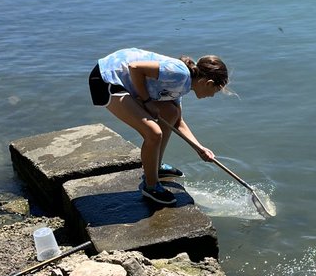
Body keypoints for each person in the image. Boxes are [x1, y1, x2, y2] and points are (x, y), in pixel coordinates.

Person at [89, 48, 229, 206]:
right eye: (215, 91)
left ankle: (155, 167)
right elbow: (135, 68)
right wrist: (147, 101)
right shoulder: (180, 74)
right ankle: (151, 186)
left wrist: (199, 148)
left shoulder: (182, 86)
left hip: (126, 82)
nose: (212, 96)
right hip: (105, 79)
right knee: (153, 133)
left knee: (171, 112)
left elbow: (177, 122)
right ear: (208, 83)